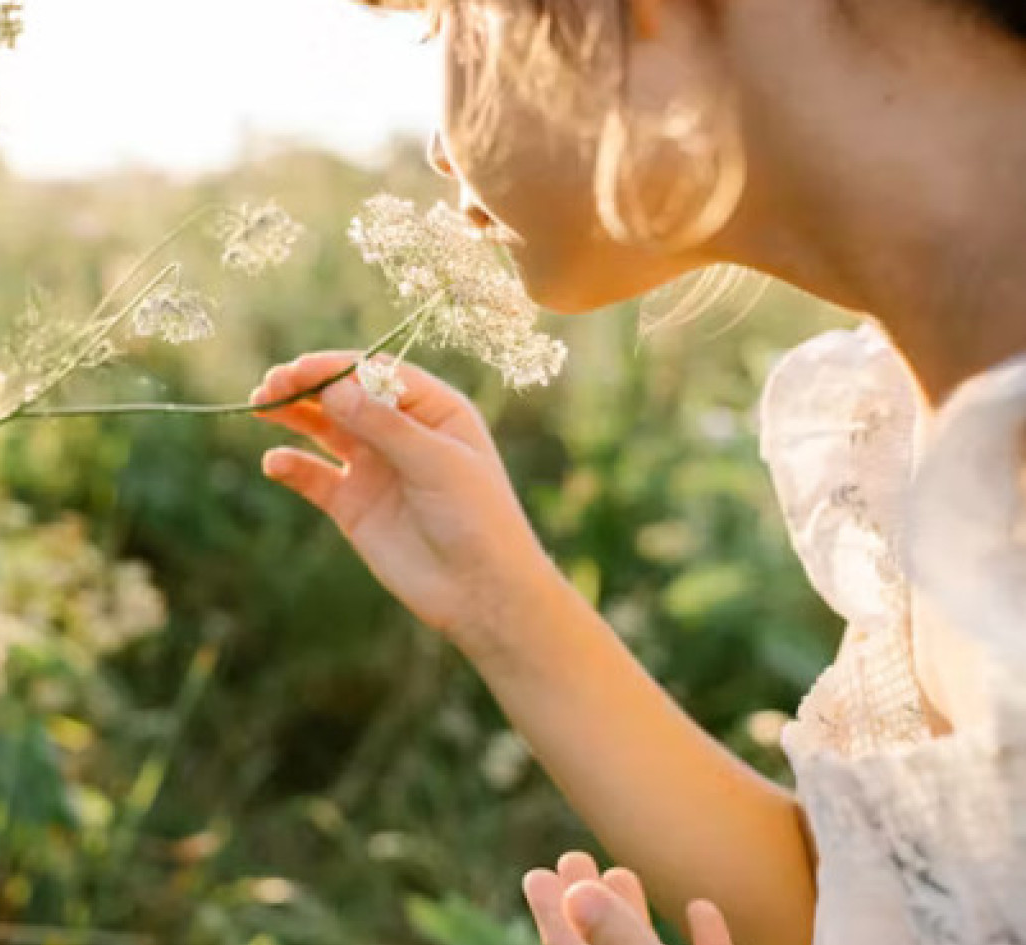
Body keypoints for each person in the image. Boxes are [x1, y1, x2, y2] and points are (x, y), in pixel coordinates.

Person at [247, 1, 1026, 944]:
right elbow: (906, 895)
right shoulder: (942, 402)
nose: (438, 147)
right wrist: (500, 600)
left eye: (446, 21)